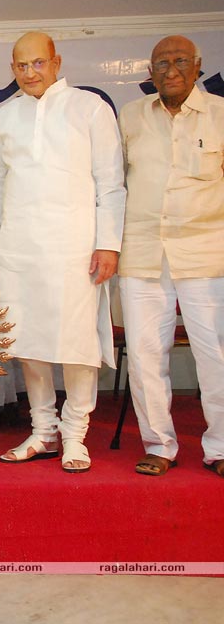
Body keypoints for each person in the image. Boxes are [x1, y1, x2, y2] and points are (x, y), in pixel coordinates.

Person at [0, 31, 126, 473]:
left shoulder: (90, 108)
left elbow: (110, 182)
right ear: (12, 70)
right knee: (31, 343)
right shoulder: (4, 118)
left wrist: (108, 244)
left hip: (76, 248)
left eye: (38, 63)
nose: (30, 73)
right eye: (21, 66)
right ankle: (42, 431)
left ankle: (75, 435)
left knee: (77, 344)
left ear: (56, 62)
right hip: (20, 250)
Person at [117, 35, 224, 478]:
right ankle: (159, 444)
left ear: (198, 66)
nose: (171, 70)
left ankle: (219, 447)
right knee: (144, 357)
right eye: (162, 63)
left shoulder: (220, 114)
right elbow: (112, 184)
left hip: (207, 255)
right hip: (141, 254)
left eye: (180, 61)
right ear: (149, 72)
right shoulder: (131, 116)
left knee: (215, 354)